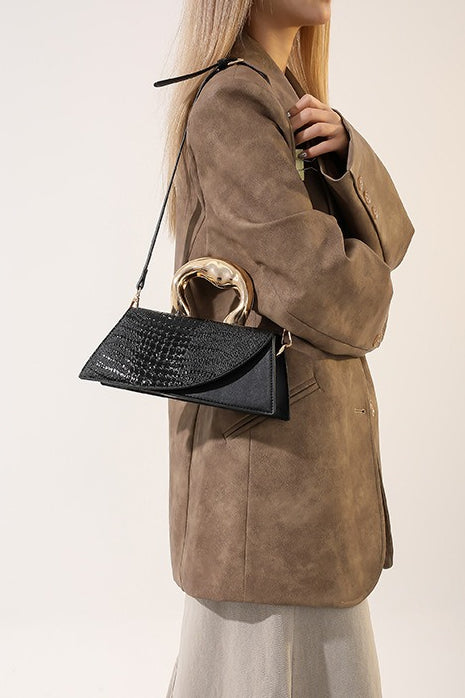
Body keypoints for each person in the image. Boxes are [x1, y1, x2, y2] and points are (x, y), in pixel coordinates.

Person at [163, 1, 415, 696]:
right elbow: (325, 287)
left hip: (294, 463)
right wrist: (371, 283)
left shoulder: (283, 96)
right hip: (268, 471)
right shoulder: (233, 99)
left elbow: (394, 239)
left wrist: (348, 156)